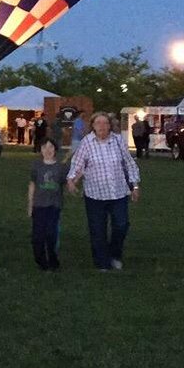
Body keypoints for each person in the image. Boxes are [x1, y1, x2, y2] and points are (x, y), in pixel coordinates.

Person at [67, 111, 140, 272]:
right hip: (95, 195)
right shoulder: (87, 142)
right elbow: (77, 163)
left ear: (110, 125)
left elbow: (129, 163)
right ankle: (102, 262)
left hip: (118, 193)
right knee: (97, 229)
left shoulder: (118, 141)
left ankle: (114, 255)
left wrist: (134, 186)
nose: (102, 126)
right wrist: (71, 180)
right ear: (92, 126)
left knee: (121, 225)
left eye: (105, 123)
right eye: (98, 123)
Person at [28, 138, 64, 270]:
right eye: (44, 147)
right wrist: (30, 204)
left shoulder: (61, 167)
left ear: (55, 150)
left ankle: (53, 260)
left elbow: (69, 181)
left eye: (50, 147)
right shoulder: (37, 166)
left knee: (51, 234)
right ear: (41, 150)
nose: (47, 150)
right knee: (38, 236)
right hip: (38, 205)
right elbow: (32, 184)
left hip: (54, 205)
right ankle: (41, 261)